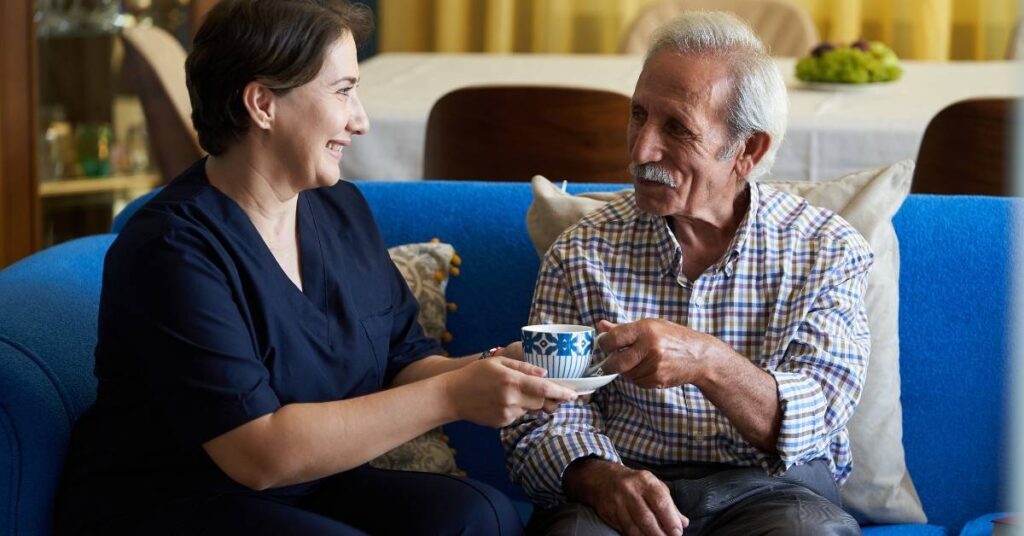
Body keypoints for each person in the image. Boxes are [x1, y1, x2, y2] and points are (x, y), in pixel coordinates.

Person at [54, 1, 577, 534]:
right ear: (262, 103)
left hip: (310, 486)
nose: (361, 121)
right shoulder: (171, 250)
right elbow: (259, 454)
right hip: (179, 499)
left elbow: (404, 360)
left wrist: (499, 368)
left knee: (476, 514)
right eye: (344, 90)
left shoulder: (339, 209)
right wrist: (452, 396)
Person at [502, 11, 870, 536]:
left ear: (748, 149)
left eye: (676, 128)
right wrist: (599, 476)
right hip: (622, 488)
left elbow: (819, 416)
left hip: (773, 492)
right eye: (638, 115)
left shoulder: (826, 251)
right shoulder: (582, 251)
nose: (641, 149)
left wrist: (707, 362)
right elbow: (541, 413)